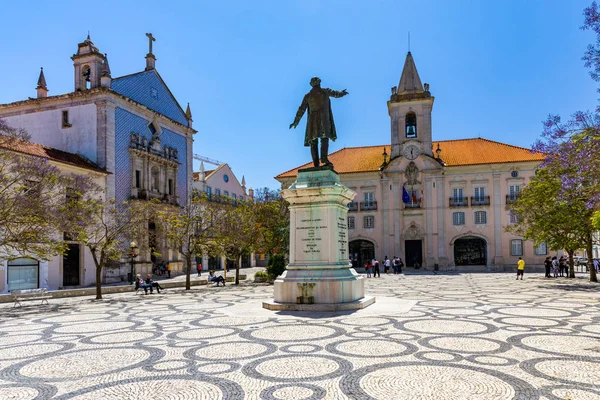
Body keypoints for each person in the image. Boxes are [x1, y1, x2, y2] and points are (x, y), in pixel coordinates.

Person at [289, 77, 349, 167]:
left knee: (313, 141)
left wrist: (295, 122)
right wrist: (342, 93)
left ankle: (316, 163)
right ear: (319, 83)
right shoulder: (325, 91)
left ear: (311, 84)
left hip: (312, 120)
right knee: (324, 139)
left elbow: (301, 110)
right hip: (323, 119)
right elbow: (336, 94)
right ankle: (324, 159)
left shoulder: (308, 96)